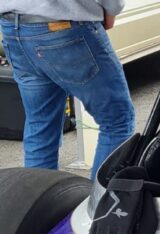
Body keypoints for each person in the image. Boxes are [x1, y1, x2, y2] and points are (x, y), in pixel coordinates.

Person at [0, 0, 135, 180]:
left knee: (41, 125)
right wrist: (112, 8)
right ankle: (99, 205)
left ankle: (39, 205)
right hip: (63, 26)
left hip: (14, 29)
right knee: (117, 120)